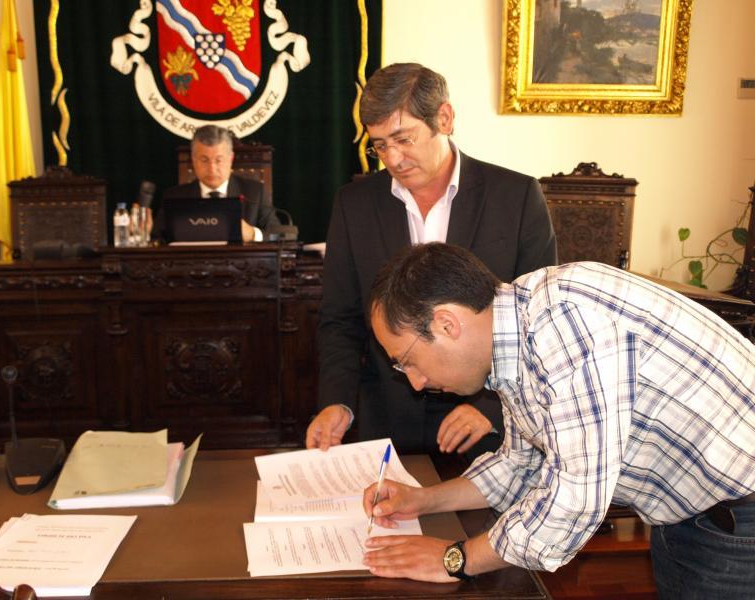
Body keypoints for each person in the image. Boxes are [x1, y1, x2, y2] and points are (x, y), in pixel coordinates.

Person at [361, 242, 755, 599]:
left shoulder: (566, 323)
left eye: (407, 361)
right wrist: (423, 500)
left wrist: (455, 559)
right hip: (690, 512)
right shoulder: (514, 335)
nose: (415, 382)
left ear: (447, 324)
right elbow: (521, 465)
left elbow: (572, 500)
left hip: (739, 515)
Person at [306, 63, 557, 458]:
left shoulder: (515, 196)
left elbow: (538, 320)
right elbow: (340, 318)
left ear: (444, 118)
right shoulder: (354, 204)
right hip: (388, 418)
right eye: (379, 145)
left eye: (403, 139)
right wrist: (337, 401)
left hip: (485, 426)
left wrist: (491, 408)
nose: (393, 158)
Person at [152, 125, 279, 242]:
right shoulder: (174, 197)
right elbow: (157, 239)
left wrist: (252, 234)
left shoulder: (255, 193)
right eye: (204, 160)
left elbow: (279, 235)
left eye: (218, 160)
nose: (212, 168)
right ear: (193, 160)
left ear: (231, 158)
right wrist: (145, 234)